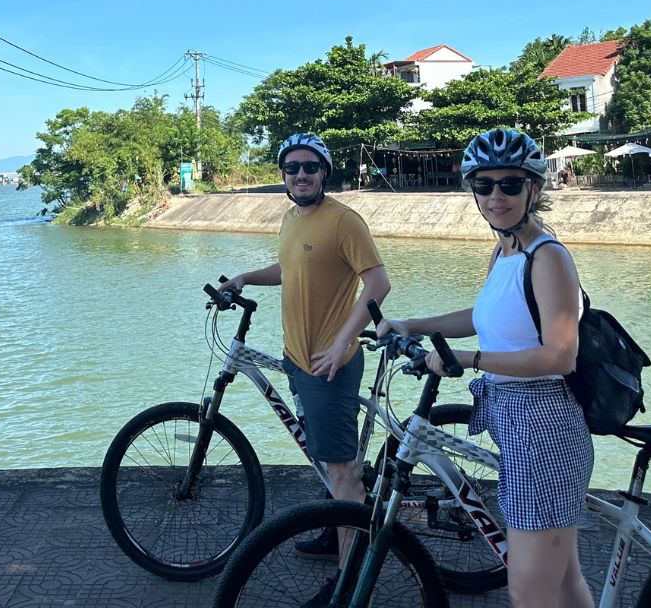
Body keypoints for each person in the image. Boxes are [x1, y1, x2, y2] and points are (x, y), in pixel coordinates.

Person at [376, 128, 594, 608]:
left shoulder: (548, 256)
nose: (497, 196)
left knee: (529, 592)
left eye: (510, 184)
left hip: (545, 428)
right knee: (562, 583)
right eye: (484, 184)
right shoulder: (504, 251)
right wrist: (410, 324)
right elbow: (483, 318)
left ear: (533, 189)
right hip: (514, 420)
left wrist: (466, 359)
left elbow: (561, 356)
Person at [219, 132, 391, 597]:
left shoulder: (343, 221)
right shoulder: (291, 219)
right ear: (283, 175)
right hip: (298, 359)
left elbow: (378, 282)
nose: (300, 175)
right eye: (292, 168)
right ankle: (334, 533)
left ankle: (350, 583)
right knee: (324, 456)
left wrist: (342, 342)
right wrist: (244, 277)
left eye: (310, 168)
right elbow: (289, 269)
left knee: (342, 473)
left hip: (328, 366)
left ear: (324, 173)